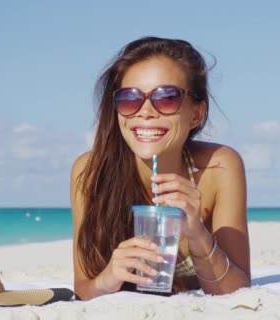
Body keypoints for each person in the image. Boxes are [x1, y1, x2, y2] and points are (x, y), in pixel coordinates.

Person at [70, 36, 251, 299]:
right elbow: (84, 288)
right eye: (129, 98)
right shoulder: (90, 172)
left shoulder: (218, 168)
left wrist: (198, 235)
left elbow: (238, 291)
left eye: (166, 98)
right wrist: (109, 278)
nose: (145, 111)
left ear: (196, 114)